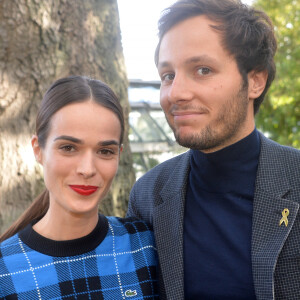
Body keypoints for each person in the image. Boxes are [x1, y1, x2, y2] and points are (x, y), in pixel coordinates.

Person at [127, 0, 300, 299]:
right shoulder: (148, 196)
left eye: (203, 70)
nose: (176, 93)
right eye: (168, 75)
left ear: (255, 81)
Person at [0, 76, 158, 299]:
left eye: (105, 151)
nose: (87, 169)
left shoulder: (145, 245)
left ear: (119, 155)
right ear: (38, 150)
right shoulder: (4, 271)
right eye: (69, 147)